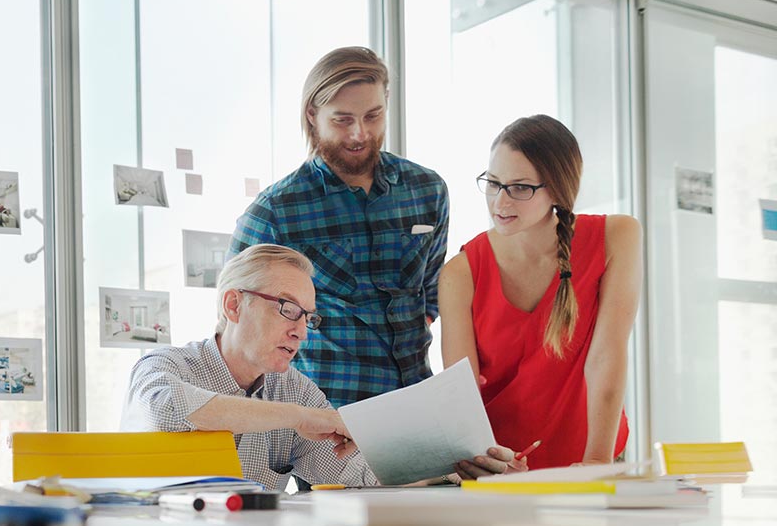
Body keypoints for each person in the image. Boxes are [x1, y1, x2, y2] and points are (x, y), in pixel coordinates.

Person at [121, 245, 525, 490]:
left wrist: (459, 471)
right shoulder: (164, 365)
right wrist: (297, 418)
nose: (301, 332)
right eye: (287, 309)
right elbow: (167, 411)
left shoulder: (295, 390)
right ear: (232, 305)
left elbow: (360, 473)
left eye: (308, 318)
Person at [229, 46, 450, 409]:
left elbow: (432, 293)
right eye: (343, 120)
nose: (359, 134)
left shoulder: (428, 191)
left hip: (418, 405)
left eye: (373, 116)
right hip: (326, 417)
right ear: (313, 115)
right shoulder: (275, 212)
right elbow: (239, 324)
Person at [438, 115, 642, 472]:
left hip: (592, 459)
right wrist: (492, 464)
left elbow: (606, 358)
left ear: (558, 190)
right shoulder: (460, 272)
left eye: (520, 187)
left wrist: (596, 462)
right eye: (494, 183)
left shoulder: (617, 237)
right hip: (498, 466)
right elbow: (461, 394)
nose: (500, 201)